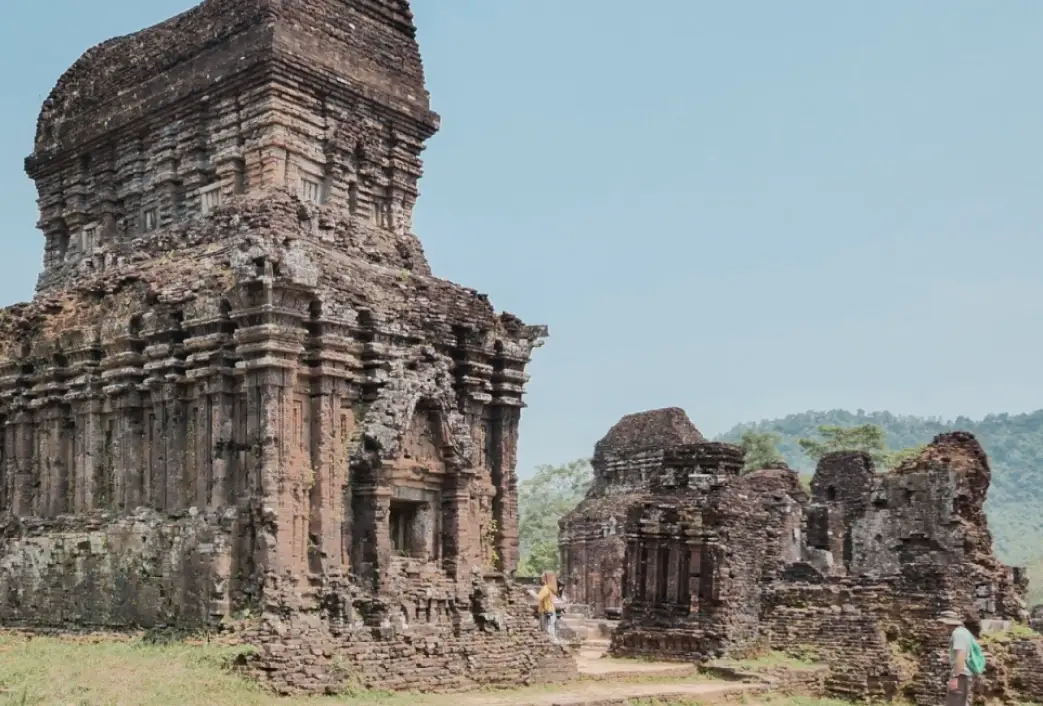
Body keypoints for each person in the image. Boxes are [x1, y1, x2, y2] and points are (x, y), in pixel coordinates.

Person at [940, 609, 980, 706]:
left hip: (961, 675)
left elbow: (961, 655)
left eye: (942, 624)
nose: (942, 627)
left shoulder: (958, 634)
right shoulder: (964, 632)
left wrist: (955, 677)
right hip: (964, 674)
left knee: (955, 702)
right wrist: (949, 658)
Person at [536, 571, 559, 642]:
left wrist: (531, 592)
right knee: (551, 630)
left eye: (543, 577)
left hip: (545, 612)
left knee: (546, 631)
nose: (541, 578)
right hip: (551, 611)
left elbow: (538, 598)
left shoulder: (546, 588)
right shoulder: (551, 587)